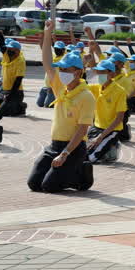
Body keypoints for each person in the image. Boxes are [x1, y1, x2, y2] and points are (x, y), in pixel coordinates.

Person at [27, 20, 95, 192]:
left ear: (78, 72)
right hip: (54, 145)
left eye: (66, 70)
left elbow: (82, 129)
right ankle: (69, 171)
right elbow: (47, 62)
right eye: (61, 70)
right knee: (34, 184)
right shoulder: (60, 87)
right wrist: (47, 33)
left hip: (73, 148)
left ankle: (81, 172)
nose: (62, 73)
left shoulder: (86, 96)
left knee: (49, 187)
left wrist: (65, 153)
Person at [85, 59, 129, 164]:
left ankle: (112, 147)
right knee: (80, 154)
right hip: (96, 127)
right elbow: (78, 84)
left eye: (103, 72)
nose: (99, 75)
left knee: (90, 158)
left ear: (112, 74)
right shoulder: (96, 88)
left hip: (111, 130)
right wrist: (83, 63)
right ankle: (109, 148)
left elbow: (119, 119)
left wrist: (100, 137)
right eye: (98, 72)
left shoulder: (120, 91)